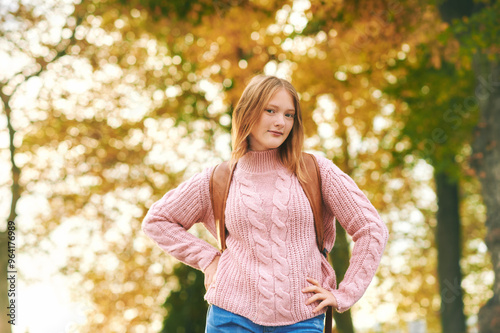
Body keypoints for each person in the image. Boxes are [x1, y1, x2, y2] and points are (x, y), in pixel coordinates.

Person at [142, 74, 389, 332]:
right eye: (270, 110)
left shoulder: (316, 171)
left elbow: (372, 229)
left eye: (289, 115)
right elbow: (157, 221)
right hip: (230, 316)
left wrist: (344, 294)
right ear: (248, 113)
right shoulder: (219, 177)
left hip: (302, 317)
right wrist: (208, 259)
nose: (280, 122)